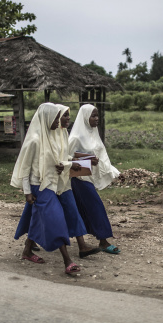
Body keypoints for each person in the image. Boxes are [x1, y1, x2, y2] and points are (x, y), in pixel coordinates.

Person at [11, 103, 82, 274]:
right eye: (56, 118)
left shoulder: (51, 136)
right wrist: (27, 192)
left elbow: (59, 159)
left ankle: (27, 251)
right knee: (55, 220)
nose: (57, 122)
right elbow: (24, 169)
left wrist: (71, 163)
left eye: (58, 118)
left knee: (38, 218)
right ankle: (67, 261)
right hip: (39, 186)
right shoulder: (34, 140)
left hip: (53, 185)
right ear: (46, 117)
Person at [68, 104, 121, 254]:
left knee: (79, 210)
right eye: (93, 116)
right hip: (78, 179)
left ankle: (37, 238)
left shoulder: (93, 133)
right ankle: (103, 240)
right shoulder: (76, 137)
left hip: (88, 177)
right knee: (96, 206)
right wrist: (87, 159)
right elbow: (65, 157)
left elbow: (102, 155)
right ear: (85, 117)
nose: (97, 119)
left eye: (97, 115)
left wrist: (112, 170)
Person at [55, 104, 101, 259]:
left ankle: (82, 246)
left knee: (71, 209)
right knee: (37, 214)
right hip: (47, 183)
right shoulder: (45, 138)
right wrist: (72, 163)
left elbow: (66, 156)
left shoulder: (63, 134)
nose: (68, 119)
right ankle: (29, 244)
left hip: (64, 180)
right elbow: (52, 160)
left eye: (69, 115)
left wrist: (80, 160)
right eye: (64, 116)